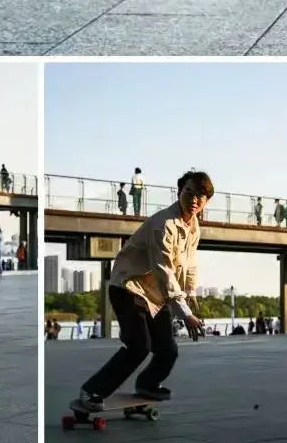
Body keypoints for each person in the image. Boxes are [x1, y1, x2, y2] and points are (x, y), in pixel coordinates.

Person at [69, 170, 214, 418]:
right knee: (139, 346)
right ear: (179, 192)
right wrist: (186, 313)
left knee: (168, 350)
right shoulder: (164, 225)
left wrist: (190, 293)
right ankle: (91, 391)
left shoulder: (193, 226)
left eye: (200, 195)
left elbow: (189, 263)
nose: (194, 200)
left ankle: (147, 384)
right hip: (129, 287)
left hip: (156, 294)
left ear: (207, 201)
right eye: (189, 192)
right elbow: (165, 271)